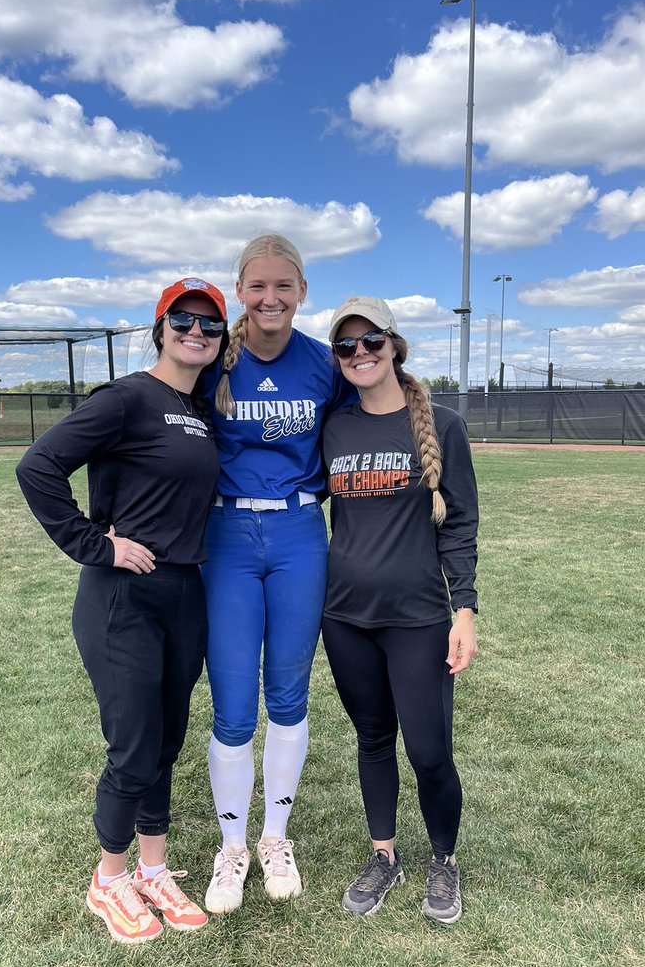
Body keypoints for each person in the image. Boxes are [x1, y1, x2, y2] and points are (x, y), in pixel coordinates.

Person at [15, 277, 229, 944]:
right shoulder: (126, 398)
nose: (196, 332)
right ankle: (108, 881)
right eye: (182, 320)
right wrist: (96, 544)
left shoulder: (201, 410)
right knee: (133, 744)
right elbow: (38, 467)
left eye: (210, 324)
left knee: (165, 740)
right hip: (122, 598)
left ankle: (153, 870)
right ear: (160, 328)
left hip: (184, 592)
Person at [200, 234, 354, 914]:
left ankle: (274, 838)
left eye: (283, 286)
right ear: (240, 291)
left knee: (288, 695)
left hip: (299, 533)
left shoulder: (323, 364)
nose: (270, 298)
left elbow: (370, 422)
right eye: (257, 286)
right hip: (227, 534)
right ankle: (231, 848)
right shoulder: (214, 362)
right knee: (234, 705)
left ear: (302, 292)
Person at [320, 296, 479, 924]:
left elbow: (459, 525)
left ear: (394, 345)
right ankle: (384, 856)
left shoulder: (443, 425)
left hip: (417, 617)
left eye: (371, 341)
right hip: (344, 615)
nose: (359, 353)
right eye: (346, 345)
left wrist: (464, 611)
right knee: (373, 738)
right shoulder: (334, 427)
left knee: (430, 750)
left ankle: (444, 859)